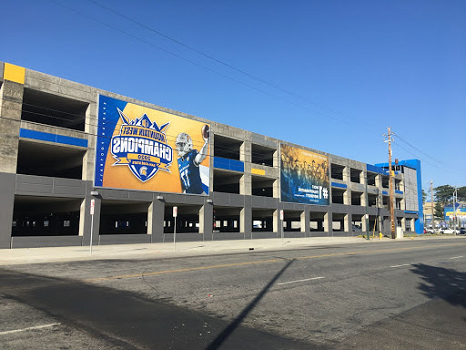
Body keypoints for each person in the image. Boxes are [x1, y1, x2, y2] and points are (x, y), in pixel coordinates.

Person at [175, 127, 209, 194]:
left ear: (189, 145)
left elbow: (201, 156)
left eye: (182, 144)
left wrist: (206, 142)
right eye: (178, 145)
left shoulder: (192, 155)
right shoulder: (179, 162)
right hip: (189, 196)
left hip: (200, 194)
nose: (179, 147)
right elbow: (183, 186)